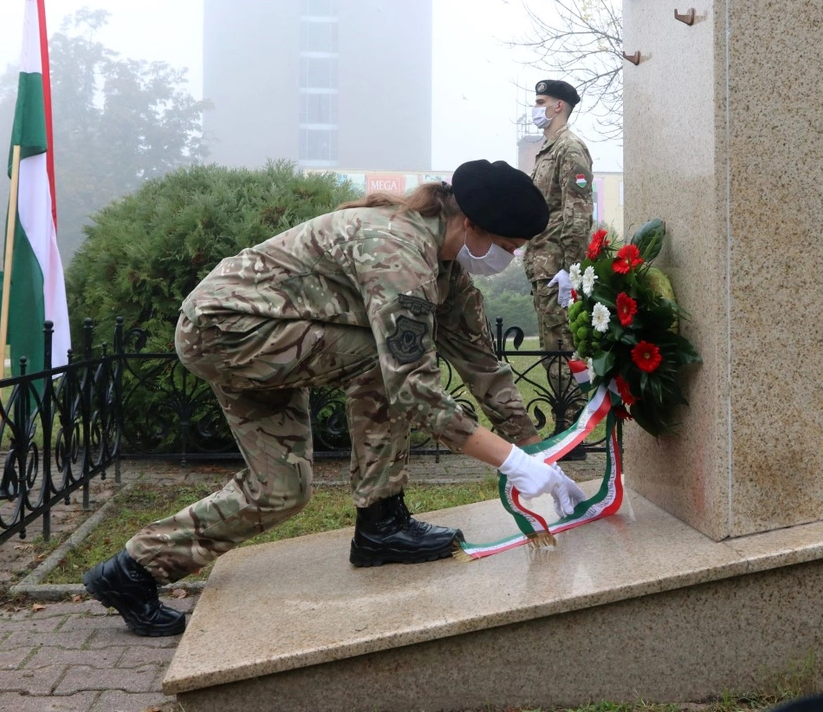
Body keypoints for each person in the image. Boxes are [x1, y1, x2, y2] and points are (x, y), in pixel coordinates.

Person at [82, 159, 587, 637]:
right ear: (472, 224)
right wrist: (511, 462)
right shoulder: (397, 251)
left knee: (281, 489)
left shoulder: (448, 270)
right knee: (380, 359)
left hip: (255, 334)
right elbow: (413, 389)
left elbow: (482, 365)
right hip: (226, 329)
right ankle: (381, 522)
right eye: (507, 245)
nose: (510, 259)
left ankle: (131, 569)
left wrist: (539, 452)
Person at [521, 79, 594, 421]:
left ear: (558, 106)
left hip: (557, 269)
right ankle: (567, 419)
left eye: (541, 101)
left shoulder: (570, 148)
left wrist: (571, 268)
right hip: (543, 265)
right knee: (552, 347)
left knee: (562, 346)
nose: (536, 108)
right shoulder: (548, 149)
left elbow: (576, 211)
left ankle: (574, 422)